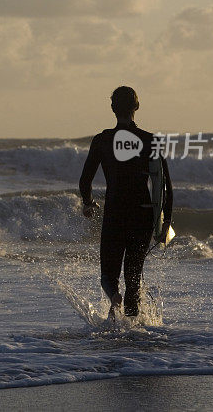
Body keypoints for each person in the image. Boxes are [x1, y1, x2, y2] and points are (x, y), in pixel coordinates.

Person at [78, 86, 172, 319]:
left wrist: (88, 203)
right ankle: (133, 335)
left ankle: (114, 299)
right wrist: (165, 222)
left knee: (108, 276)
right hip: (142, 214)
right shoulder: (150, 140)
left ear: (112, 108)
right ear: (136, 107)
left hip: (115, 213)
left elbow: (85, 180)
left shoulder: (102, 140)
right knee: (133, 277)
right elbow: (165, 186)